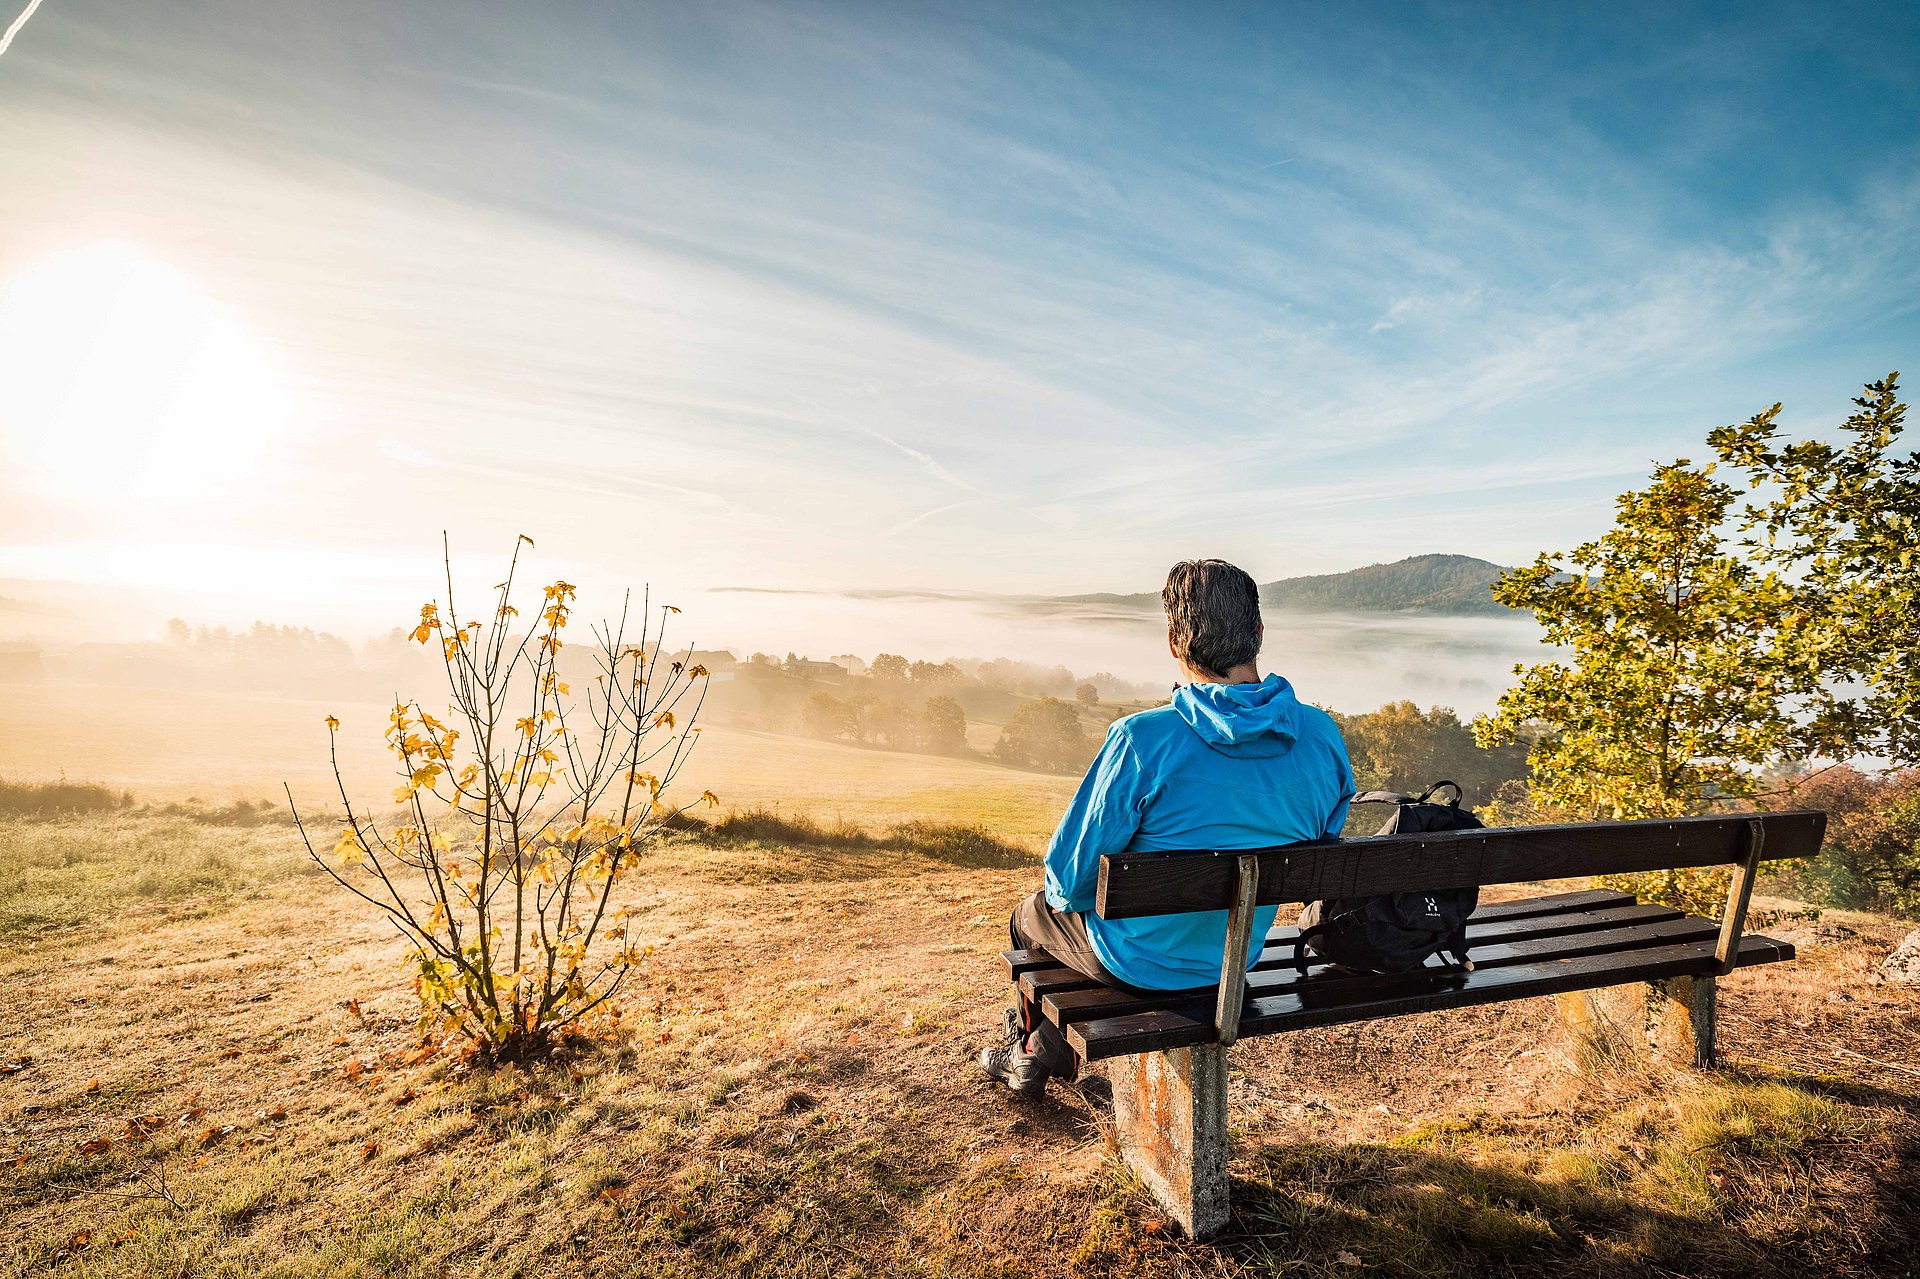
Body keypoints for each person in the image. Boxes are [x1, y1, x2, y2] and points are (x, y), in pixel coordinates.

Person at [979, 558, 1354, 1096]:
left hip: (1140, 964)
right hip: (1236, 959)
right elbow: (1323, 843)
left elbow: (1068, 883)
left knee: (1031, 914)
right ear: (1259, 634)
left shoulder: (1142, 740)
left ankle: (1030, 1055)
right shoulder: (1320, 736)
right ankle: (1037, 1056)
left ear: (1175, 642)